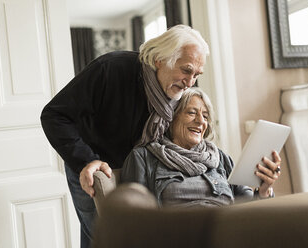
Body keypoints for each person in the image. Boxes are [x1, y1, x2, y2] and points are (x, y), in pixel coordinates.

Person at [40, 25, 209, 247]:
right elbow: (54, 115)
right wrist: (86, 160)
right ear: (159, 59)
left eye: (196, 75)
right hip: (96, 166)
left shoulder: (176, 91)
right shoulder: (110, 68)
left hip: (139, 169)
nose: (190, 83)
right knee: (105, 238)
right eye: (186, 70)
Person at [121, 88, 281, 207]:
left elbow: (249, 208)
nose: (200, 121)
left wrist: (265, 189)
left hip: (228, 231)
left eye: (205, 116)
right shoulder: (144, 157)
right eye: (191, 113)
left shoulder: (219, 158)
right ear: (171, 118)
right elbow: (134, 217)